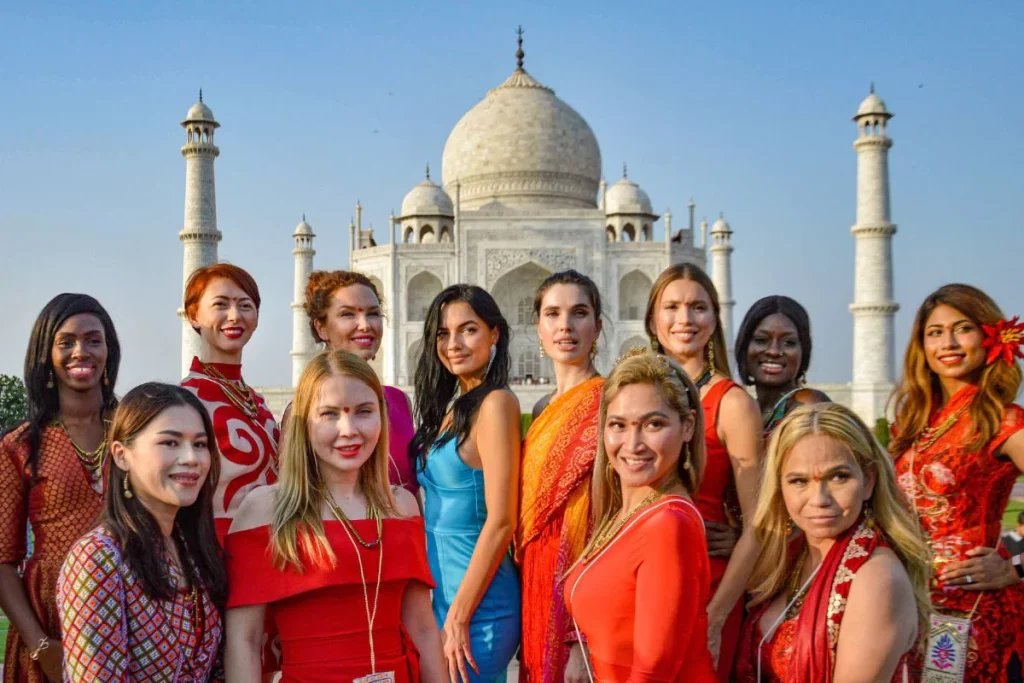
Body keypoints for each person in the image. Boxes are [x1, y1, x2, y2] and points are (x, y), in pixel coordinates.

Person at [223, 351, 444, 682]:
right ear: (304, 424)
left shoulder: (402, 506)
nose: (349, 430)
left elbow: (424, 630)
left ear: (382, 418)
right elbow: (245, 640)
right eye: (329, 414)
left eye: (364, 412)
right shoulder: (265, 509)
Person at [734, 402, 928, 682]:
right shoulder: (790, 557)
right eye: (799, 481)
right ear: (779, 487)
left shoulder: (877, 579)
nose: (819, 499)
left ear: (868, 481)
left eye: (838, 477)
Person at [891, 283, 1024, 682]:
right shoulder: (915, 421)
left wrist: (1017, 566)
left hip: (968, 607)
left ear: (990, 337)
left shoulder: (1001, 419)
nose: (947, 342)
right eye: (935, 332)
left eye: (962, 328)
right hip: (909, 602)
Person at [564, 348, 717, 682]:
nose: (633, 444)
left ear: (688, 426)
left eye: (653, 424)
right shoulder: (628, 512)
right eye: (618, 425)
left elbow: (653, 671)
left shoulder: (668, 524)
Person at [58, 383, 226, 681]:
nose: (191, 458)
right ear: (122, 455)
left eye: (200, 444)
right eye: (170, 443)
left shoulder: (194, 552)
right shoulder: (98, 559)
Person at [645, 263, 762, 677]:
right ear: (653, 319)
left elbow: (757, 526)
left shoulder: (732, 404)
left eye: (697, 307)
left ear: (714, 319)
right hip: (641, 580)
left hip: (705, 587)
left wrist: (714, 618)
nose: (684, 319)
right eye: (672, 306)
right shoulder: (635, 399)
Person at [0, 293, 120, 683]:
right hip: (49, 621)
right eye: (65, 342)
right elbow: (2, 561)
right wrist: (41, 646)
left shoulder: (138, 432)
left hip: (132, 602)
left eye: (93, 340)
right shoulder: (19, 446)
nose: (80, 351)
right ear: (46, 355)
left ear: (108, 351)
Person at [411, 284, 522, 683]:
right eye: (443, 333)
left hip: (480, 605)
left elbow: (502, 521)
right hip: (446, 597)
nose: (453, 343)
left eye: (468, 330)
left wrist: (459, 616)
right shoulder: (455, 408)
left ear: (494, 334)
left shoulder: (496, 405)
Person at [515, 270, 604, 683]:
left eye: (579, 313)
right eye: (553, 313)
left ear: (598, 326)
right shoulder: (540, 409)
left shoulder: (612, 401)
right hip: (537, 576)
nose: (565, 326)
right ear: (538, 327)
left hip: (587, 577)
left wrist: (583, 634)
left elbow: (615, 518)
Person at [180, 263, 280, 543]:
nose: (234, 316)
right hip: (213, 556)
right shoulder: (184, 402)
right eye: (220, 305)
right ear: (194, 315)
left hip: (272, 555)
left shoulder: (258, 404)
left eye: (245, 305)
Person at [303, 270, 417, 494]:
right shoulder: (308, 407)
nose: (365, 325)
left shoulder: (398, 400)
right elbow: (297, 497)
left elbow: (411, 493)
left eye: (373, 314)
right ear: (321, 327)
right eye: (348, 315)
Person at [734, 296, 829, 436]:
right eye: (761, 340)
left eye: (788, 342)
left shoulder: (808, 406)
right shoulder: (749, 410)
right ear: (744, 347)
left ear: (804, 351)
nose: (773, 351)